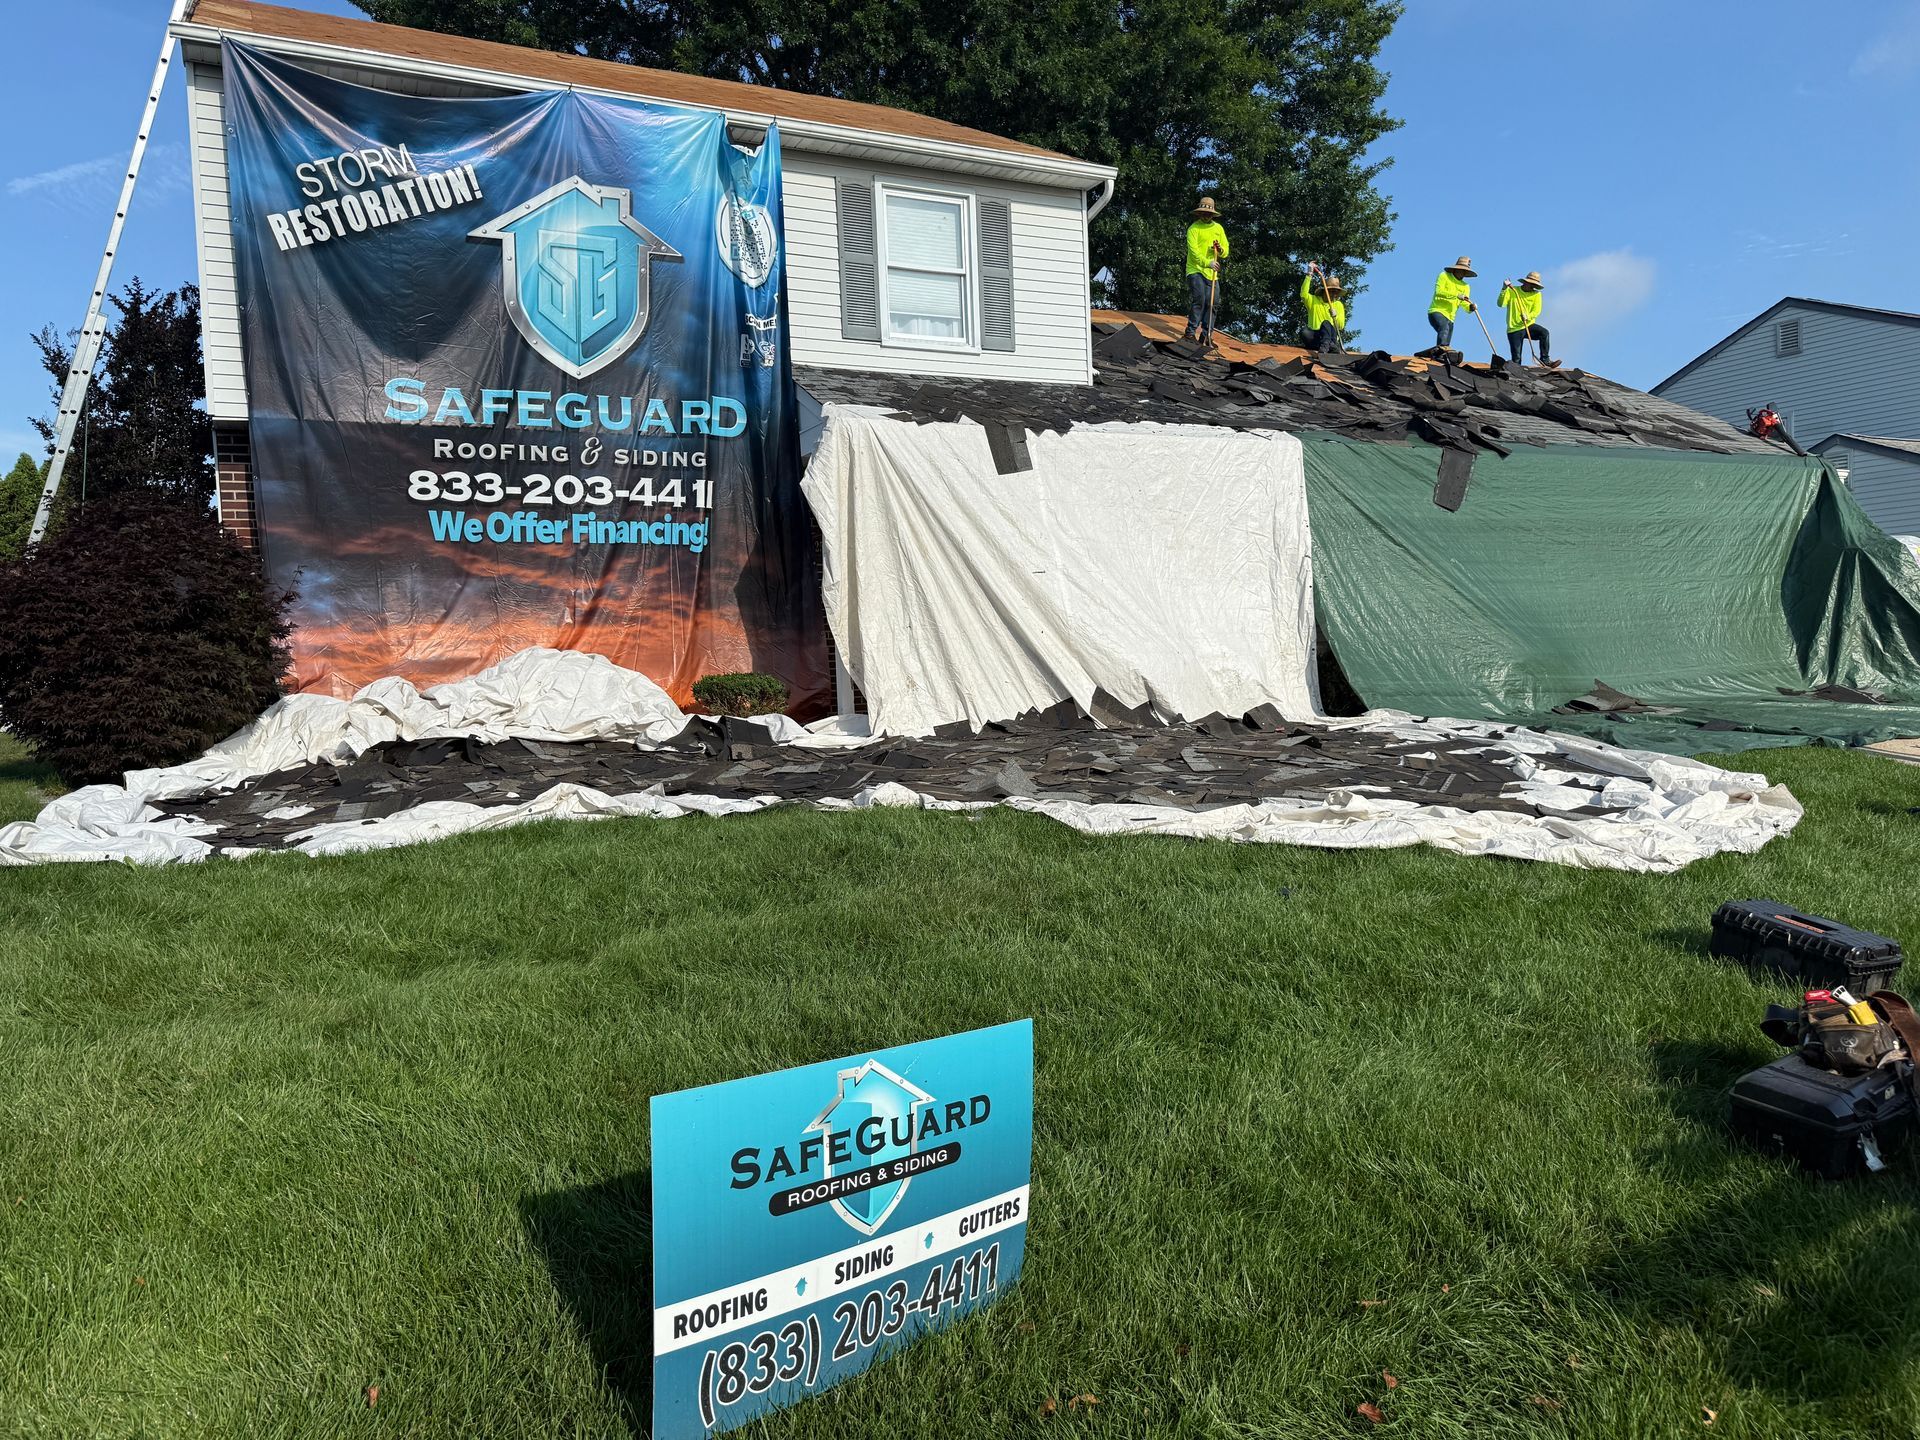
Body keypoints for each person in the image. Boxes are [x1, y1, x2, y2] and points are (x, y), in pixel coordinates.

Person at [1183, 196, 1229, 345]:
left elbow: (1226, 250)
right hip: (1195, 270)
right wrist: (1207, 263)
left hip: (1212, 274)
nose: (1206, 216)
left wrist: (1220, 250)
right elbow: (1194, 252)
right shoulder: (1193, 229)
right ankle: (1190, 333)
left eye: (1209, 213)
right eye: (1204, 213)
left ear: (1212, 214)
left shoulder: (1218, 229)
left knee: (1213, 303)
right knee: (1200, 298)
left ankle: (1206, 334)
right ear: (1199, 213)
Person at [1497, 271, 1557, 366]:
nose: (1533, 287)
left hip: (1528, 325)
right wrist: (1504, 289)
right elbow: (1500, 304)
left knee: (1544, 333)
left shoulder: (1537, 294)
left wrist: (1527, 316)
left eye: (1534, 285)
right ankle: (1516, 373)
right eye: (1531, 284)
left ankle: (1545, 359)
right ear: (1525, 282)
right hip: (1514, 328)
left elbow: (1536, 311)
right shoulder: (1513, 291)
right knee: (1516, 359)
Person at [1427, 255, 1477, 350]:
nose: (1461, 273)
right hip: (1437, 311)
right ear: (1455, 269)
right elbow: (1439, 292)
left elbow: (1464, 303)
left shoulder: (1465, 286)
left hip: (1451, 317)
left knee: (1447, 337)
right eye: (1460, 270)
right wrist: (1456, 295)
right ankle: (1441, 350)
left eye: (1464, 271)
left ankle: (1443, 353)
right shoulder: (1444, 276)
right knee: (1444, 328)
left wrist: (1470, 307)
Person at [1302, 264, 1347, 354]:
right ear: (1325, 291)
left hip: (1331, 339)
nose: (1334, 295)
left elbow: (1341, 326)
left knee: (1326, 323)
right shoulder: (1313, 301)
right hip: (1316, 338)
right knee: (1304, 332)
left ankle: (1328, 345)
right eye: (1332, 291)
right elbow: (1303, 294)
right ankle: (1326, 345)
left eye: (1336, 292)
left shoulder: (1338, 305)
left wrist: (1335, 316)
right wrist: (1309, 274)